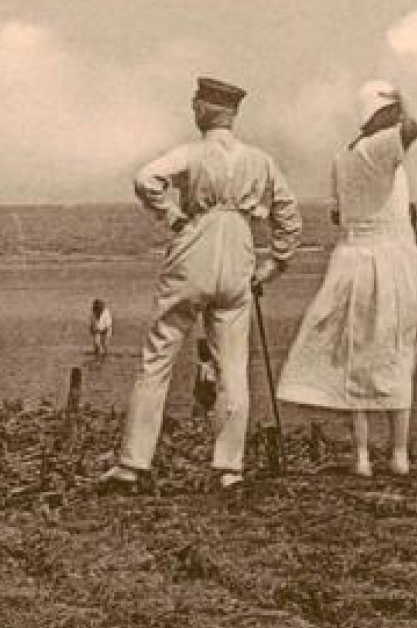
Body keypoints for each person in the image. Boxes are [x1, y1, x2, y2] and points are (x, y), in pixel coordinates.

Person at [100, 76, 302, 492]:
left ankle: (133, 464)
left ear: (207, 110)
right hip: (239, 249)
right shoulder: (259, 160)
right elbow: (289, 215)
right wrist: (276, 263)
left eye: (197, 103)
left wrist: (171, 215)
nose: (193, 107)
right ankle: (229, 467)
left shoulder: (192, 153)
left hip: (195, 244)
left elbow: (145, 178)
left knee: (159, 354)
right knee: (233, 365)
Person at [276, 79, 417, 477]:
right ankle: (398, 454)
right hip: (389, 258)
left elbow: (338, 216)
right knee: (397, 352)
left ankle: (361, 455)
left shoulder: (345, 156)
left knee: (356, 357)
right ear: (381, 114)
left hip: (352, 258)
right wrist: (402, 88)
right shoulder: (379, 149)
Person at [193, 337, 219, 419]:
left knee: (205, 396)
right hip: (210, 382)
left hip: (206, 383)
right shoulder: (210, 363)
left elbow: (201, 378)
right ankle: (208, 411)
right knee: (208, 396)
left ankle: (207, 411)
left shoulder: (203, 365)